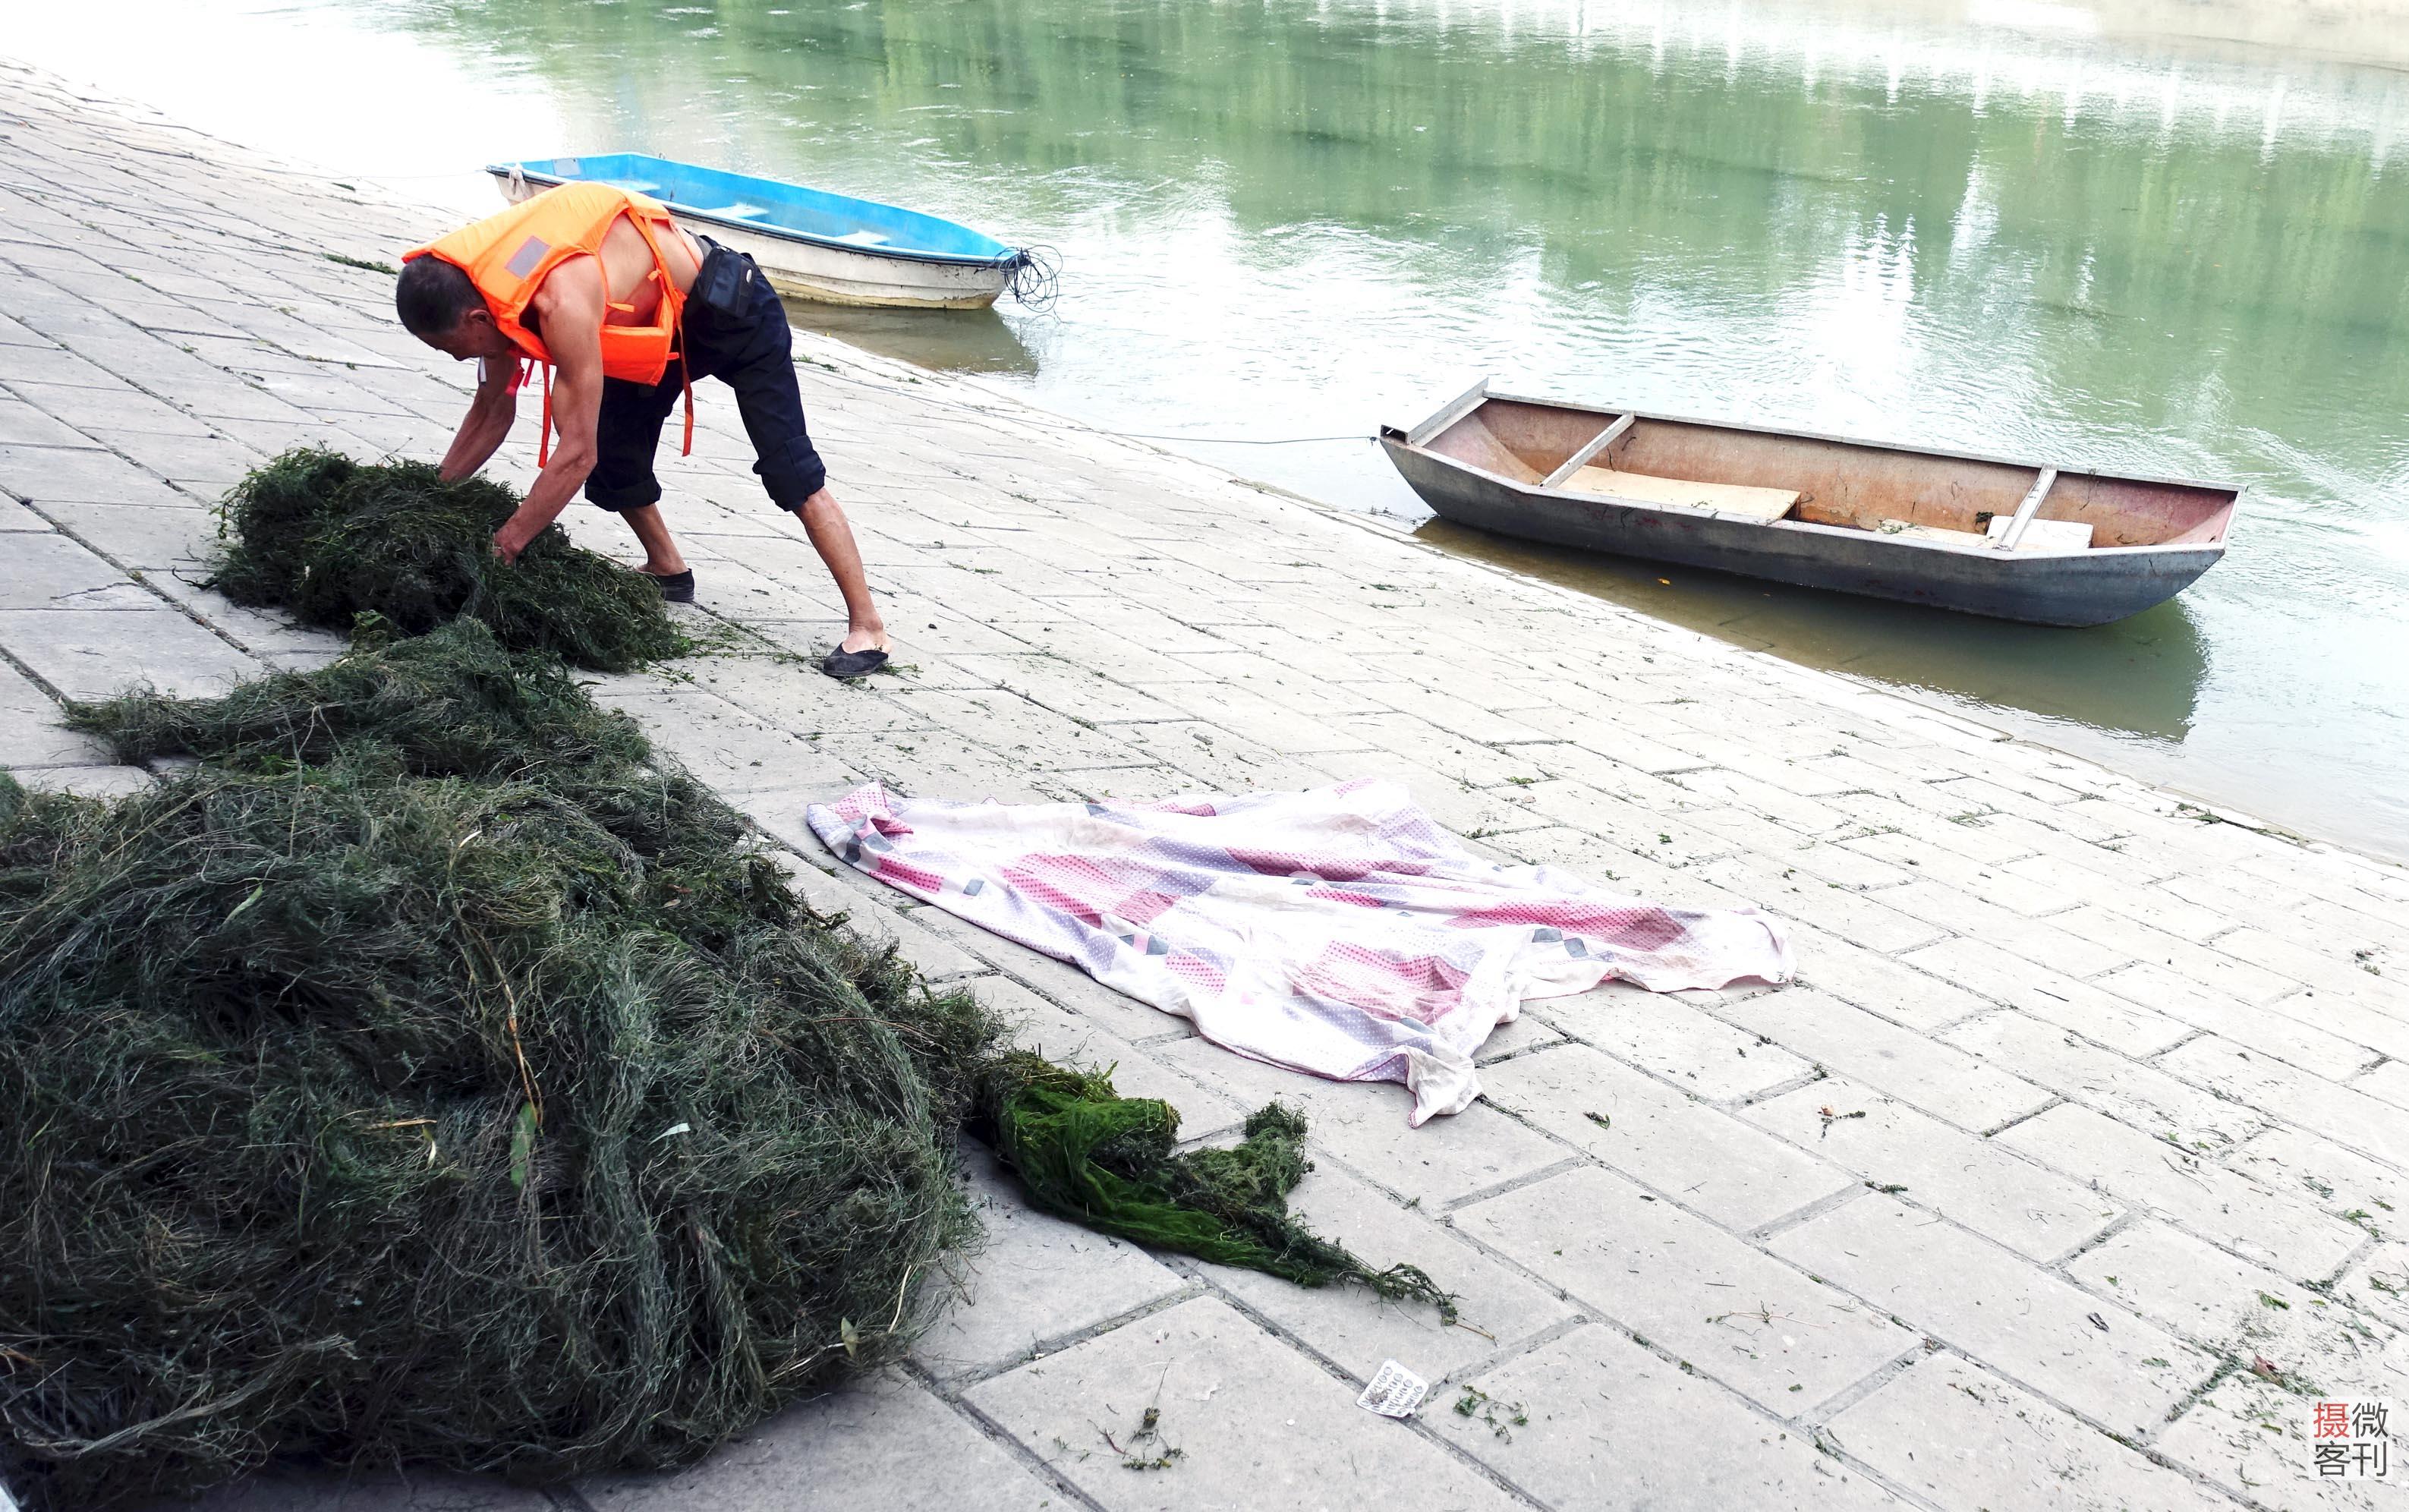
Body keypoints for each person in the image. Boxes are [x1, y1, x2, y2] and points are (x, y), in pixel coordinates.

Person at [394, 181, 890, 678]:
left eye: (452, 347)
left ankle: (867, 626)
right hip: (659, 327)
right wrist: (430, 497)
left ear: (476, 318)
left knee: (790, 472)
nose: (458, 357)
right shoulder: (488, 297)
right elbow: (491, 412)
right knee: (615, 453)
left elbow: (575, 453)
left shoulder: (561, 300)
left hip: (733, 311)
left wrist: (504, 547)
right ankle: (668, 568)